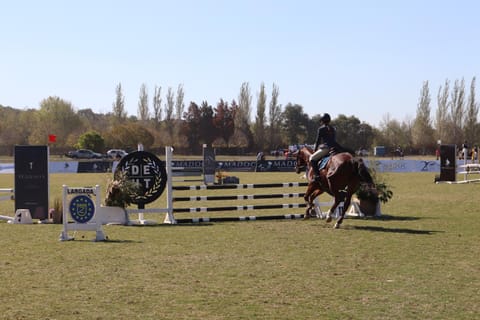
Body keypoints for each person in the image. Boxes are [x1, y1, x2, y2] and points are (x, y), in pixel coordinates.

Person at [309, 113, 340, 181]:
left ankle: (317, 176)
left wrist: (315, 149)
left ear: (323, 121)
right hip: (335, 147)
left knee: (312, 158)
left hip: (327, 148)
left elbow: (318, 141)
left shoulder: (321, 129)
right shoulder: (333, 128)